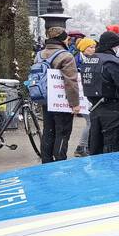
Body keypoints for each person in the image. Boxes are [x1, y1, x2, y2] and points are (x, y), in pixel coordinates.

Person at [37, 27, 81, 163]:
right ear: (62, 39)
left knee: (48, 131)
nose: (69, 41)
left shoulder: (39, 54)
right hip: (62, 102)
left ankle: (46, 162)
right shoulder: (66, 56)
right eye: (67, 39)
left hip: (45, 99)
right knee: (62, 132)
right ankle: (60, 163)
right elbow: (70, 82)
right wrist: (75, 104)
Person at [87, 31, 119, 155]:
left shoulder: (89, 60)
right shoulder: (113, 62)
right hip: (113, 110)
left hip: (95, 108)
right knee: (111, 150)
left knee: (95, 147)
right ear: (113, 46)